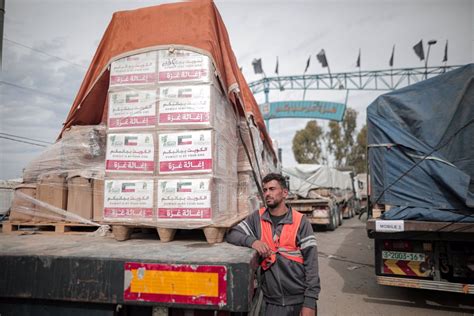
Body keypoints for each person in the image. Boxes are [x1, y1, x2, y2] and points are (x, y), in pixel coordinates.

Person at [227, 173, 320, 316]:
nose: (267, 193)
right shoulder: (257, 217)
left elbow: (312, 265)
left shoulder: (301, 221)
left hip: (299, 300)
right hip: (272, 302)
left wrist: (309, 302)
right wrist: (253, 241)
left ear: (284, 193)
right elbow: (233, 234)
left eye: (272, 189)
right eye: (265, 190)